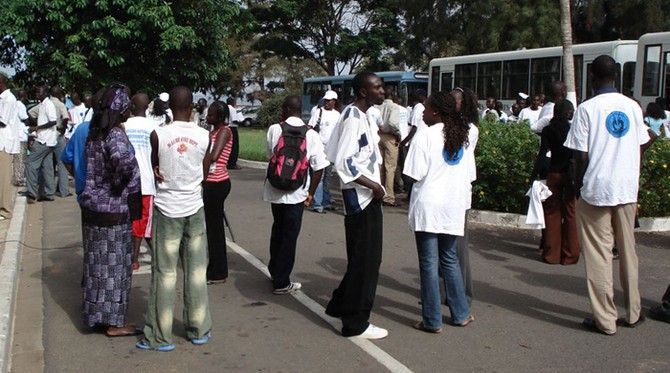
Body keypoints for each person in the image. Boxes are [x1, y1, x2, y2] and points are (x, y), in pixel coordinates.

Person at [564, 55, 651, 335]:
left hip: (596, 189)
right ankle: (634, 312)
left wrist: (577, 186)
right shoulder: (632, 107)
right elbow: (643, 141)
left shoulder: (587, 109)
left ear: (591, 77)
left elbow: (580, 156)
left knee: (599, 255)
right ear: (617, 77)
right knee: (628, 251)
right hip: (626, 188)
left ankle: (605, 320)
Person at [138, 86, 212, 352]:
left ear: (170, 107)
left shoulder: (158, 134)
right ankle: (199, 329)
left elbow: (155, 166)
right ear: (192, 106)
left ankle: (159, 335)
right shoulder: (205, 136)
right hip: (194, 207)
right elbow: (203, 173)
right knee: (196, 271)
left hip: (167, 207)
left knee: (164, 273)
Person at [404, 91, 475, 333]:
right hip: (453, 206)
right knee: (450, 259)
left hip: (429, 206)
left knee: (429, 263)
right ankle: (461, 313)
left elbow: (413, 174)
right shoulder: (462, 136)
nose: (422, 112)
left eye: (425, 108)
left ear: (435, 111)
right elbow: (470, 176)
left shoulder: (425, 136)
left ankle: (432, 320)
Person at [324, 71, 387, 339]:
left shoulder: (363, 116)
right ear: (363, 91)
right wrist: (374, 186)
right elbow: (343, 161)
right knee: (367, 262)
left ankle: (340, 305)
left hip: (367, 197)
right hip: (361, 199)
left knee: (363, 259)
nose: (383, 91)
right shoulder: (352, 118)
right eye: (378, 87)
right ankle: (355, 323)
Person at [80, 83, 143, 337]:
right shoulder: (114, 135)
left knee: (96, 266)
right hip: (114, 211)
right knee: (116, 269)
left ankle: (96, 316)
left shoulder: (95, 133)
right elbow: (124, 164)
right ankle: (115, 324)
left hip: (94, 209)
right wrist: (118, 186)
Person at [265, 96, 328, 294]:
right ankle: (282, 282)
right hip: (297, 192)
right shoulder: (312, 135)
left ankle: (275, 270)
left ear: (285, 109)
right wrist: (310, 193)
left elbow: (271, 155)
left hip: (275, 190)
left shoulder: (275, 129)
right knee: (290, 235)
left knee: (278, 229)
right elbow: (319, 168)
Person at [535, 100, 580, 265]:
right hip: (569, 175)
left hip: (553, 174)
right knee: (570, 213)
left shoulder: (548, 130)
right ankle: (570, 255)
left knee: (552, 213)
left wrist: (533, 176)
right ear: (568, 112)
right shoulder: (572, 130)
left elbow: (541, 155)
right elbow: (577, 155)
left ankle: (551, 255)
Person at [450, 86, 479, 303]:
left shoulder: (469, 129)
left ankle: (461, 293)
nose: (451, 103)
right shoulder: (448, 126)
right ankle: (446, 290)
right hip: (448, 191)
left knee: (458, 246)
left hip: (458, 191)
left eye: (455, 100)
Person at [124, 93, 159, 271]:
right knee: (143, 222)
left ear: (131, 106)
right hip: (146, 180)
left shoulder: (124, 125)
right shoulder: (153, 127)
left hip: (127, 181)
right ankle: (136, 258)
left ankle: (134, 257)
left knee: (132, 222)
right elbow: (156, 154)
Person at [203, 101, 233, 285]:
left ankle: (218, 272)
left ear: (220, 117)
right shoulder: (212, 132)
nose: (208, 117)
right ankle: (215, 268)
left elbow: (214, 156)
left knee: (215, 229)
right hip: (210, 182)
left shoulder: (224, 131)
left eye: (212, 114)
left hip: (217, 182)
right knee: (213, 228)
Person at [308, 90, 340, 213]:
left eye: (329, 101)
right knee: (319, 176)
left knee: (327, 176)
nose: (327, 102)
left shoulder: (337, 115)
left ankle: (326, 202)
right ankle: (317, 204)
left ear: (334, 102)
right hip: (319, 148)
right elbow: (310, 127)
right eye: (326, 100)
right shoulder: (318, 112)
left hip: (331, 149)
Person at [25, 85, 58, 203]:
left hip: (44, 140)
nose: (36, 94)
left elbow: (53, 121)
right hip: (48, 141)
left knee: (30, 164)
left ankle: (31, 193)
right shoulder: (42, 105)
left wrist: (37, 127)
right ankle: (48, 193)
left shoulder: (48, 105)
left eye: (38, 92)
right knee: (47, 167)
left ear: (45, 93)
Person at [377, 88, 401, 207]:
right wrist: (397, 134)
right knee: (390, 167)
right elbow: (393, 123)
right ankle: (389, 196)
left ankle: (379, 193)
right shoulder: (394, 107)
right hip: (390, 136)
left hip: (379, 135)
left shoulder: (377, 107)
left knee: (380, 166)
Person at [0, 74, 18, 220]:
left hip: (5, 143)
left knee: (4, 178)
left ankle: (5, 210)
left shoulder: (8, 99)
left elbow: (2, 121)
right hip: (1, 143)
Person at [50, 85, 71, 198]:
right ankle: (63, 191)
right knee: (62, 163)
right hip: (58, 134)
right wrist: (63, 129)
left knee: (49, 164)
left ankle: (48, 191)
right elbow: (66, 117)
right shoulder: (60, 104)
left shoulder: (45, 104)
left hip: (48, 136)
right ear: (59, 94)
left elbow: (32, 113)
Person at [12, 89, 29, 187]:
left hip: (16, 134)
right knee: (20, 158)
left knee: (18, 158)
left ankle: (18, 177)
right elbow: (25, 119)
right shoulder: (20, 105)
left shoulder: (15, 104)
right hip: (21, 135)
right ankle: (19, 179)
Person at [226, 97, 242, 170]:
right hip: (232, 127)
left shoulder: (225, 108)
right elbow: (234, 120)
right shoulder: (232, 109)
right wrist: (240, 121)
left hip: (226, 127)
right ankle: (232, 163)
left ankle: (227, 161)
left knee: (228, 146)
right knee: (234, 146)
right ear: (232, 102)